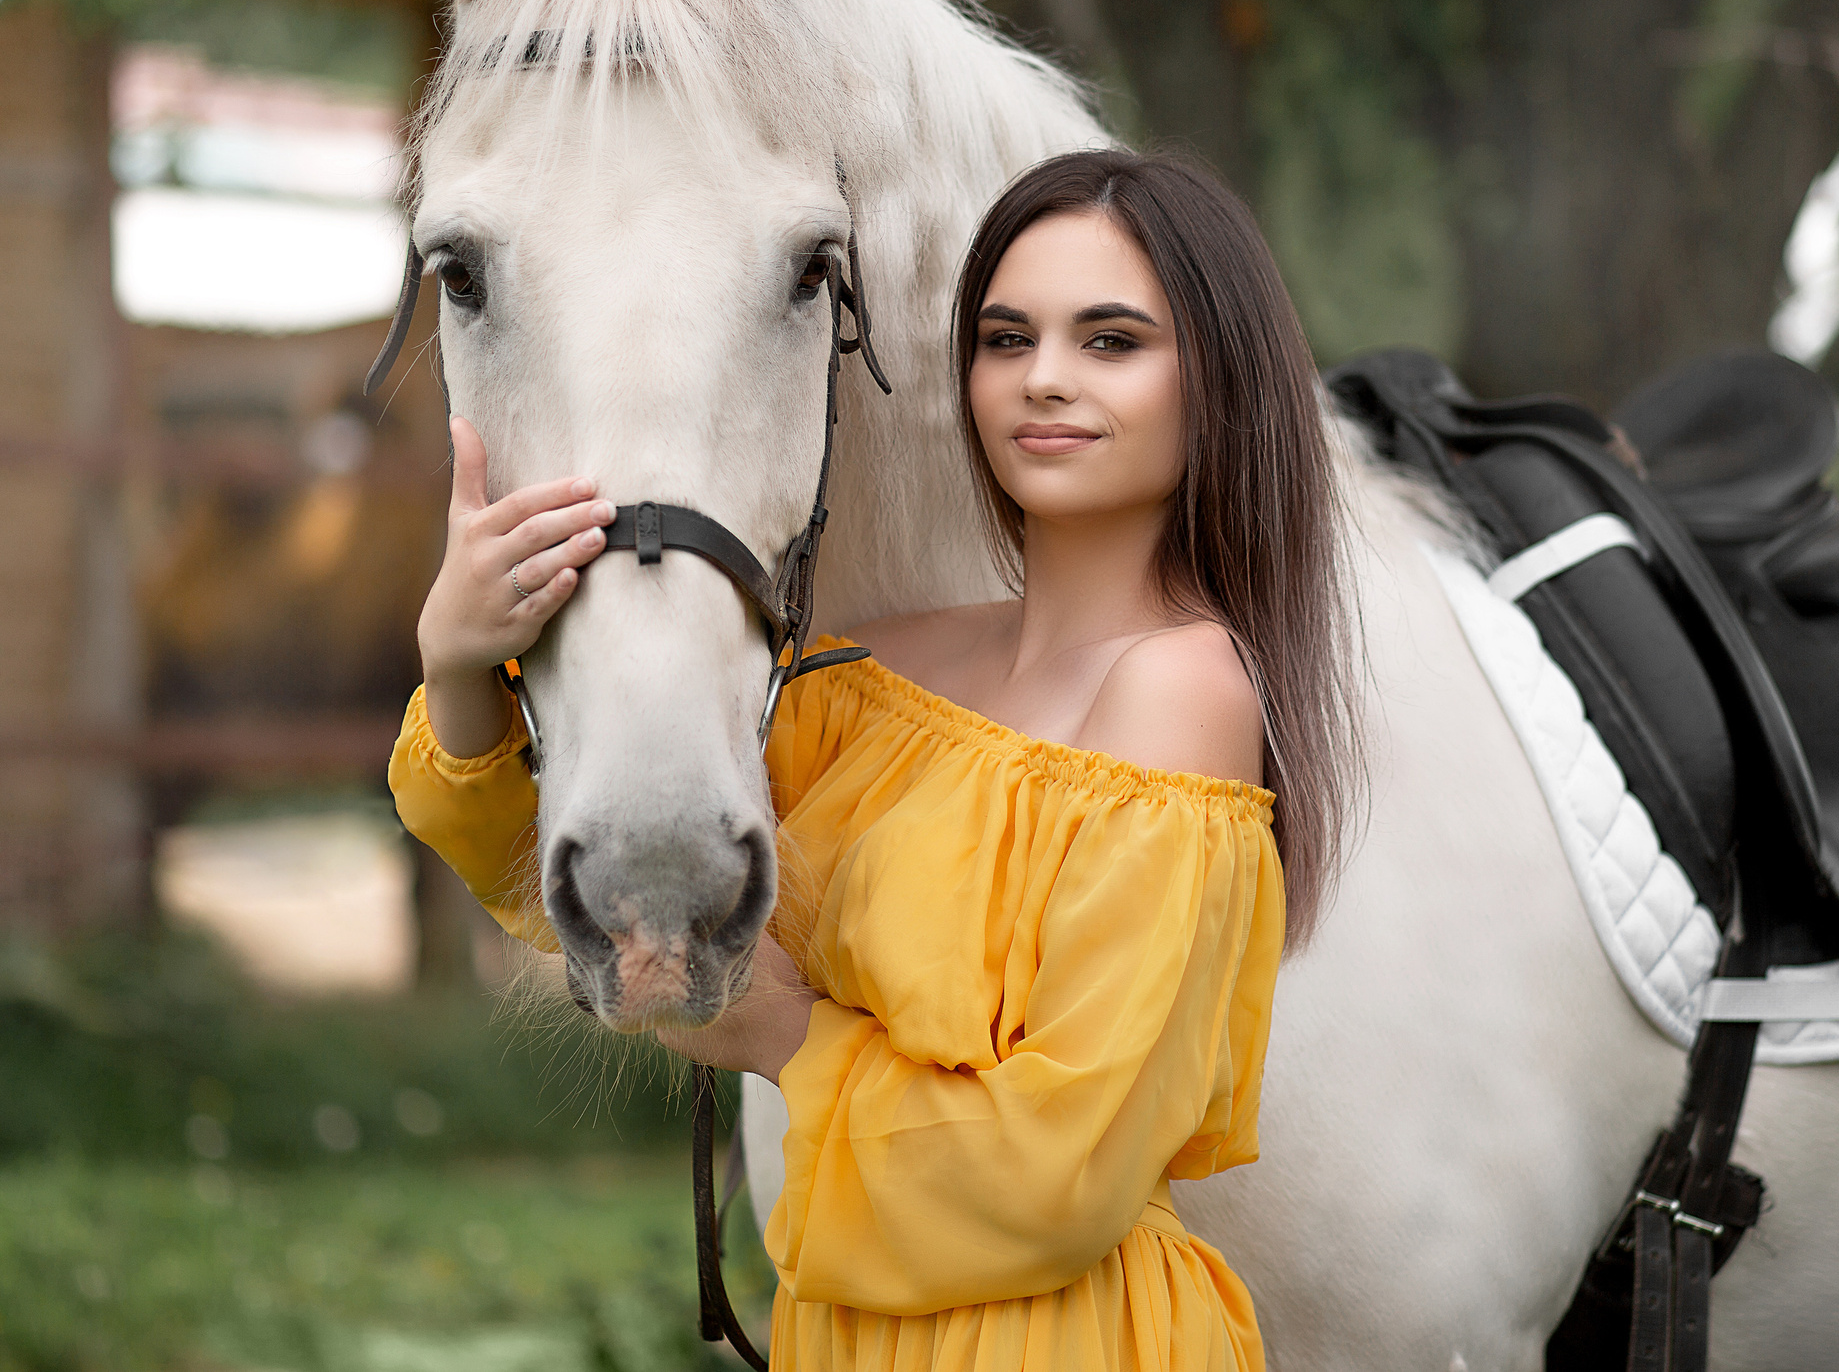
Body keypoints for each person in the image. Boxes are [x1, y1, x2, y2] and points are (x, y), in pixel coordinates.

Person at [390, 150, 1358, 1371]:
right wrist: (460, 658)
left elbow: (1062, 1175)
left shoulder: (1177, 690)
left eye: (1109, 341)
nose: (1043, 380)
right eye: (1006, 340)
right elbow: (576, 872)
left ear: (1214, 383)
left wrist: (783, 1035)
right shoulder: (867, 682)